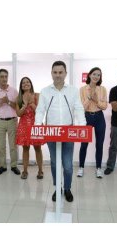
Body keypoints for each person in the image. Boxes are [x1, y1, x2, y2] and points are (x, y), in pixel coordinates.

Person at [35, 61, 86, 202]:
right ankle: (58, 188)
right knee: (54, 163)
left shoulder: (73, 90)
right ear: (51, 73)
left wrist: (82, 125)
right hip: (52, 132)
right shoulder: (45, 91)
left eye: (60, 72)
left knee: (68, 165)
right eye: (55, 72)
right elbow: (40, 110)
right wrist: (38, 125)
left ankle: (67, 188)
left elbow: (79, 108)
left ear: (65, 73)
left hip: (68, 131)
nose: (58, 75)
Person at [0, 69, 20, 176]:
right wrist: (1, 103)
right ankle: (2, 166)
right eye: (1, 77)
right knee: (1, 145)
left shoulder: (14, 91)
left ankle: (14, 165)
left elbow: (18, 107)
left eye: (6, 76)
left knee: (13, 146)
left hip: (12, 121)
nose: (4, 79)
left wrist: (8, 101)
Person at [77, 67, 108, 179]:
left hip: (99, 117)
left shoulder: (103, 89)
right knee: (84, 144)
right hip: (87, 117)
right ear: (89, 75)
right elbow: (82, 108)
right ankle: (81, 167)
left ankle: (98, 168)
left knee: (99, 144)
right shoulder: (82, 89)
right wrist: (90, 98)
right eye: (94, 74)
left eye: (98, 75)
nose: (96, 76)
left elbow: (104, 106)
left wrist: (96, 100)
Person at [15, 77, 44, 180]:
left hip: (36, 124)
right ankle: (25, 171)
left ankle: (40, 170)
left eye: (27, 82)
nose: (26, 84)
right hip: (24, 126)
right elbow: (18, 114)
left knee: (38, 148)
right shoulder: (18, 98)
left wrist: (31, 104)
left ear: (31, 84)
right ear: (21, 86)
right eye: (23, 83)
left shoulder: (37, 95)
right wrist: (25, 105)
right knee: (25, 148)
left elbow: (40, 112)